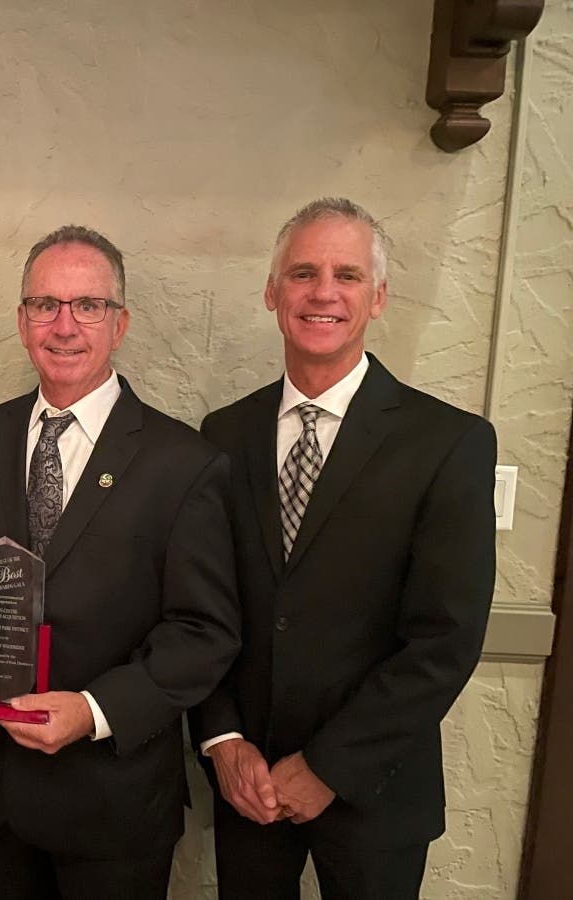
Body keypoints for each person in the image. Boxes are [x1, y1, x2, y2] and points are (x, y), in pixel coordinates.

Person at [192, 198, 497, 899]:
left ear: (379, 297)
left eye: (347, 275)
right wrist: (222, 741)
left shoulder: (447, 443)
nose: (323, 291)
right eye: (303, 272)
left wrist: (328, 766)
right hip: (251, 789)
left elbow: (445, 639)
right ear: (273, 294)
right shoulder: (223, 434)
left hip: (375, 792)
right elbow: (204, 607)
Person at [0, 225, 241, 900]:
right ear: (21, 321)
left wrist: (95, 709)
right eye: (45, 304)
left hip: (115, 805)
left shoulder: (184, 464)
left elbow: (203, 632)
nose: (64, 325)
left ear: (120, 323)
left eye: (88, 306)